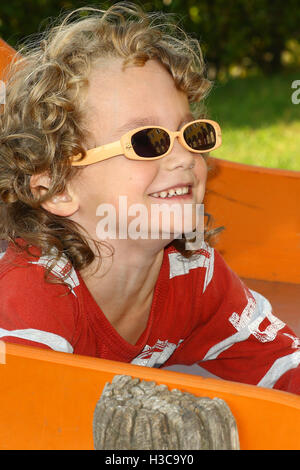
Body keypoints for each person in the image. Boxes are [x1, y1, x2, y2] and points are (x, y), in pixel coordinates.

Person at [0, 2, 299, 395]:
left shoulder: (192, 270)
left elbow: (283, 366)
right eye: (147, 141)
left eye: (191, 134)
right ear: (57, 188)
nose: (183, 157)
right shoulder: (33, 299)